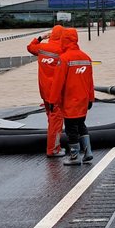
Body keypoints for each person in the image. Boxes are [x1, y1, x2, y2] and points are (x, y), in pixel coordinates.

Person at [49, 28, 95, 166]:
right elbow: (90, 82)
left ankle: (74, 157)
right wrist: (91, 98)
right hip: (83, 100)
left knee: (71, 129)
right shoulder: (86, 58)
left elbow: (58, 83)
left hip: (70, 101)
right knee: (81, 125)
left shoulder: (64, 59)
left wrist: (53, 101)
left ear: (64, 40)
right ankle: (88, 152)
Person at [26, 25, 65, 157]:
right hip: (56, 93)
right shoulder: (62, 50)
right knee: (57, 121)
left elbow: (29, 47)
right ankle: (53, 149)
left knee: (51, 119)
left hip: (44, 91)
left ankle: (53, 144)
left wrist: (41, 37)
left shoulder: (42, 49)